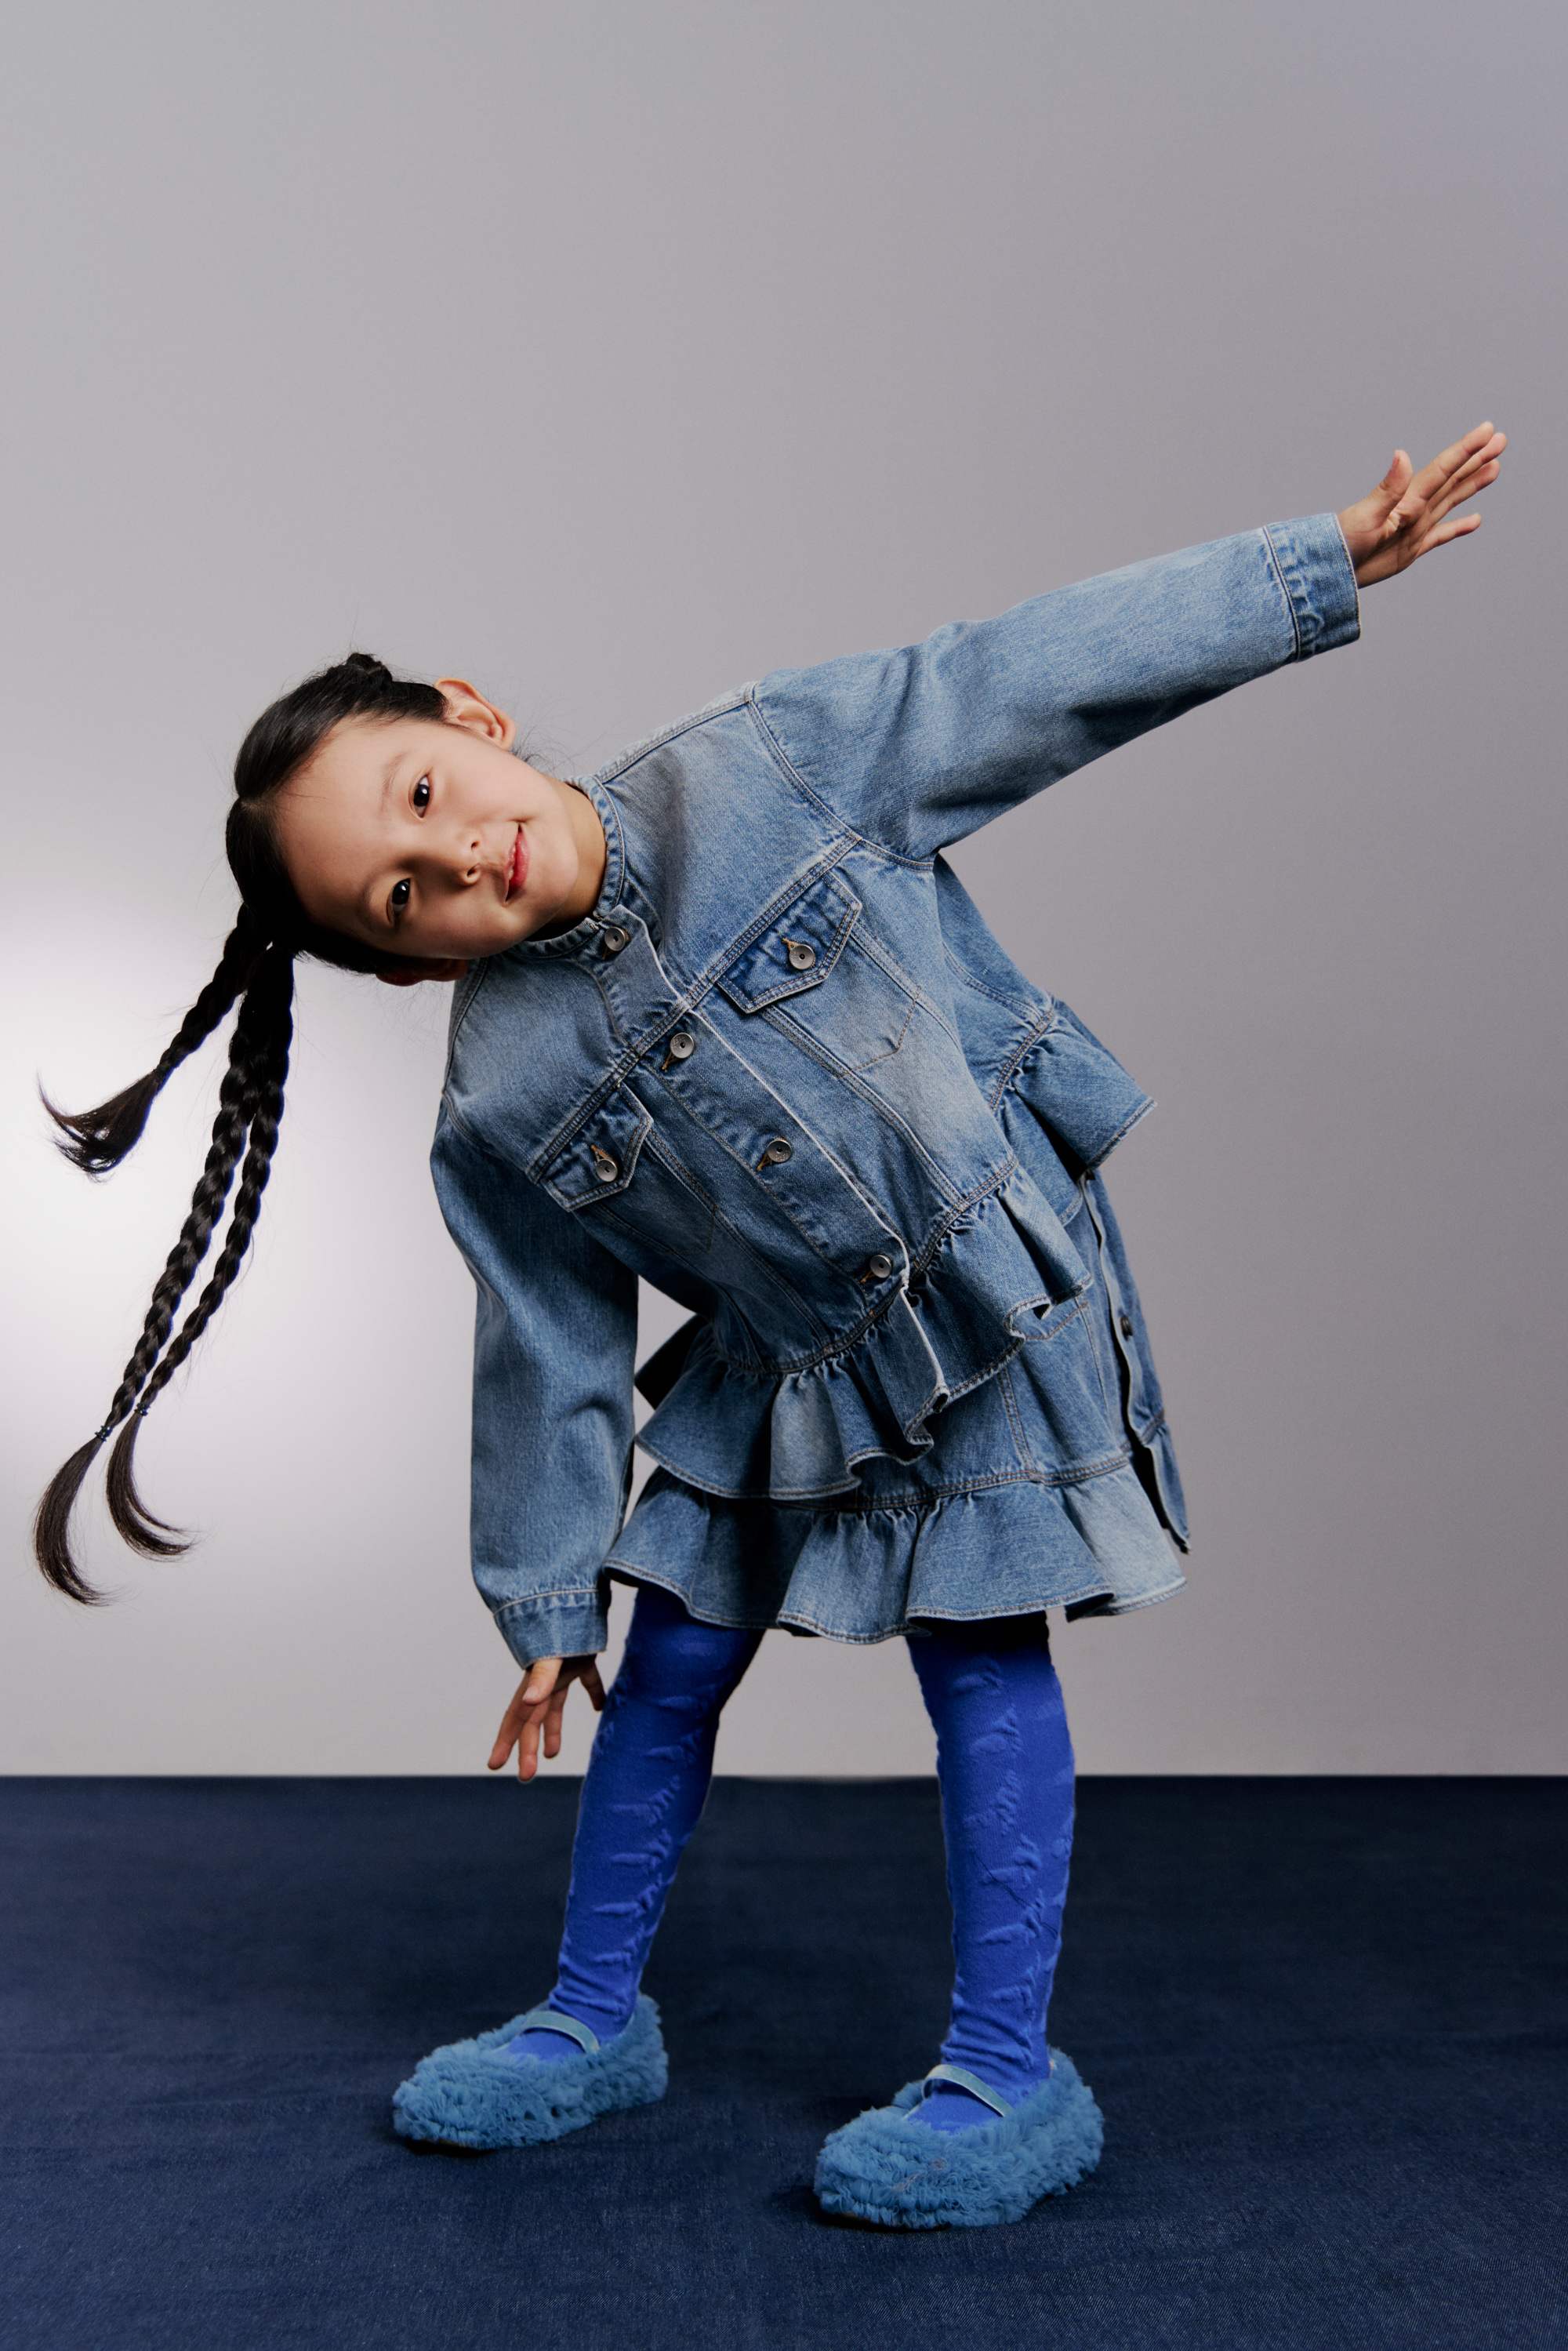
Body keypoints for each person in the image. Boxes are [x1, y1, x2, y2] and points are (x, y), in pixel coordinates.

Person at [35, 425, 1505, 2229]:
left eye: (423, 792)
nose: (456, 856)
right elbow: (547, 1350)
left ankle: (1005, 2070)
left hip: (976, 1293)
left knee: (977, 1650)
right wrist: (543, 1599)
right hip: (782, 1358)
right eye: (400, 895)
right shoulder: (497, 1100)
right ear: (410, 962)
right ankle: (589, 2018)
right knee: (665, 1664)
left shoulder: (768, 765)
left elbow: (1016, 673)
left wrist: (1309, 567)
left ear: (471, 714)